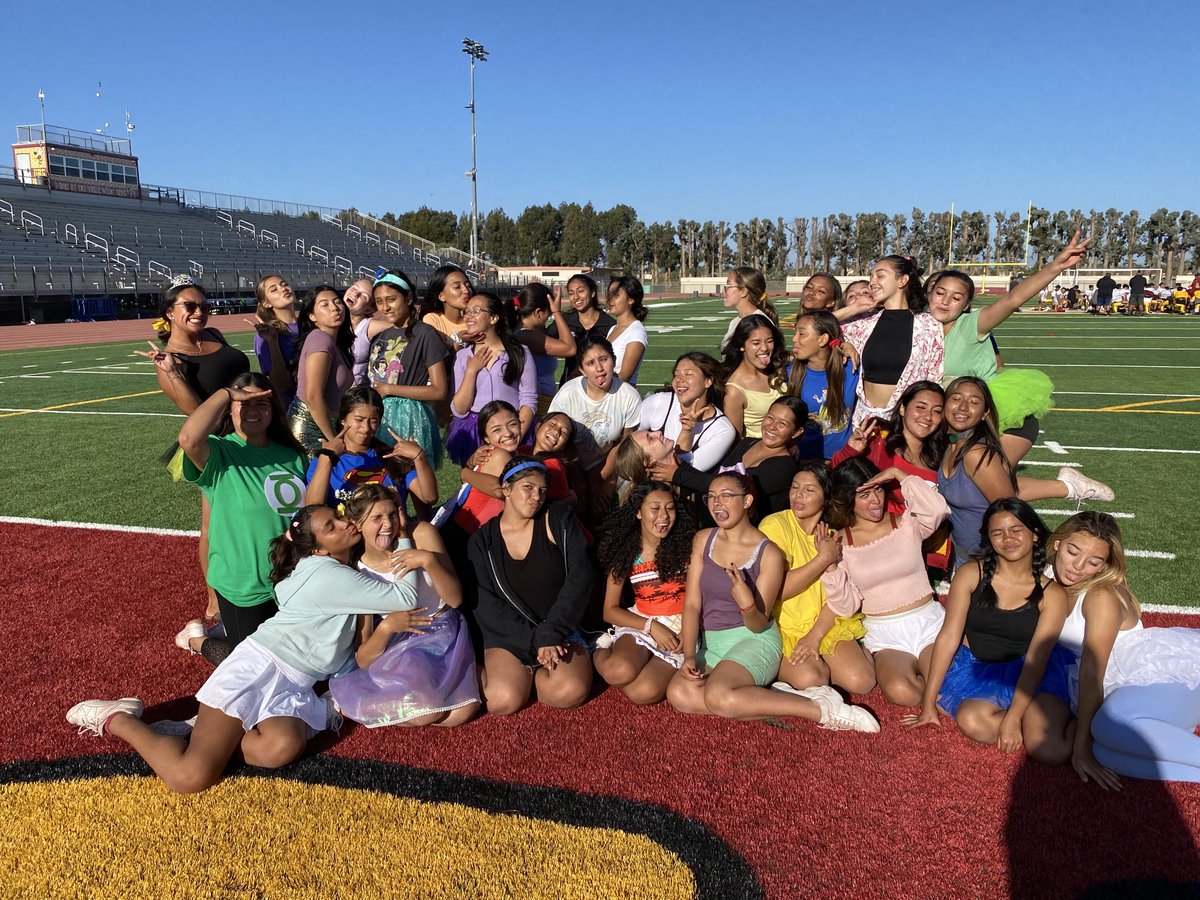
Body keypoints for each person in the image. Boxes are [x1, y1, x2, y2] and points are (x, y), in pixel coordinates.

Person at [67, 505, 420, 794]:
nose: (345, 523)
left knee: (279, 748)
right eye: (333, 525)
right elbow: (408, 597)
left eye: (339, 517)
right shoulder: (330, 575)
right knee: (190, 778)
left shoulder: (329, 568)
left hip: (293, 681)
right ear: (319, 549)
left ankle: (200, 732)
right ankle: (119, 718)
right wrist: (405, 538)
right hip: (258, 668)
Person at [665, 472, 879, 732]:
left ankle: (821, 710)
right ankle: (771, 698)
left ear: (747, 501)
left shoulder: (768, 552)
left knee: (717, 694)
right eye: (711, 497)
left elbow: (757, 624)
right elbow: (691, 605)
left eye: (726, 496)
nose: (716, 503)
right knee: (679, 693)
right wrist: (689, 655)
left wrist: (746, 604)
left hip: (754, 639)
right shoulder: (702, 539)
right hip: (714, 643)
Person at [903, 499, 1075, 762]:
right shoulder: (971, 573)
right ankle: (1031, 723)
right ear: (989, 539)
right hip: (980, 666)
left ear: (1035, 534)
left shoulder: (1052, 593)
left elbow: (1035, 661)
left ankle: (1060, 720)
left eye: (1016, 530)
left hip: (1034, 673)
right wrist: (927, 703)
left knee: (1051, 753)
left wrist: (1013, 717)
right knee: (969, 719)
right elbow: (949, 637)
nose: (1008, 538)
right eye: (997, 532)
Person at [1050, 512, 1200, 786]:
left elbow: (1091, 673)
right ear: (1058, 543)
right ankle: (1172, 736)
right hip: (1131, 694)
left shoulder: (1101, 596)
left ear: (1105, 565)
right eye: (1073, 551)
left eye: (1094, 562)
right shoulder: (1048, 575)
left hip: (1166, 678)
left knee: (1105, 727)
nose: (1078, 566)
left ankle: (1167, 726)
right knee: (1103, 752)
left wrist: (1080, 747)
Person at [136, 276, 251, 630]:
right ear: (169, 312)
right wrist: (173, 373)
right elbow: (193, 411)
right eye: (190, 305)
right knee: (213, 522)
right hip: (217, 443)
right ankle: (214, 596)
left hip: (250, 431)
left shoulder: (213, 336)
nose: (200, 311)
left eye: (204, 305)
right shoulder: (168, 359)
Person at [170, 373, 307, 666]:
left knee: (293, 658)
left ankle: (221, 632)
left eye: (261, 404)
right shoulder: (219, 452)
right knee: (252, 665)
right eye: (244, 404)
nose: (252, 410)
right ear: (230, 410)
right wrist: (226, 392)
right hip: (242, 583)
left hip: (290, 579)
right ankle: (199, 639)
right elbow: (188, 438)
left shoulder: (293, 456)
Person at [929, 232, 1090, 464]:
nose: (945, 301)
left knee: (983, 484)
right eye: (940, 293)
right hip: (956, 416)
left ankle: (1066, 486)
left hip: (997, 415)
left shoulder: (973, 323)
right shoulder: (921, 328)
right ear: (930, 294)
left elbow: (1013, 299)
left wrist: (1056, 266)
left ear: (967, 305)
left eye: (956, 298)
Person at [328, 485, 479, 728]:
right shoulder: (358, 570)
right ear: (356, 524)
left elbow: (455, 599)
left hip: (446, 632)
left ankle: (390, 704)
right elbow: (364, 657)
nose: (388, 524)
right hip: (406, 643)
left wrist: (428, 560)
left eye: (391, 515)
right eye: (376, 518)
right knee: (427, 711)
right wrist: (387, 627)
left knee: (463, 711)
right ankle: (353, 700)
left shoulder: (422, 533)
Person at [934, 377, 1112, 566]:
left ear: (985, 413)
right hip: (967, 558)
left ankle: (1070, 487)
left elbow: (1012, 511)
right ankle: (1068, 486)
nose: (963, 406)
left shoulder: (976, 454)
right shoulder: (951, 445)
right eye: (956, 398)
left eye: (974, 402)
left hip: (990, 562)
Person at [467, 457, 594, 714]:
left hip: (561, 629)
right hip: (511, 636)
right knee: (503, 701)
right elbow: (486, 604)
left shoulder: (557, 518)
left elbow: (580, 576)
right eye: (528, 487)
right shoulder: (482, 542)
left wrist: (551, 632)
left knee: (567, 692)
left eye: (542, 490)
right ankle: (483, 671)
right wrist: (534, 640)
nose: (536, 496)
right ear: (507, 489)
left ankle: (532, 675)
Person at [821, 459, 951, 706]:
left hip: (927, 622)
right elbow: (846, 605)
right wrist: (830, 567)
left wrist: (897, 473)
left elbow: (937, 510)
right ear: (847, 499)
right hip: (884, 634)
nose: (875, 501)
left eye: (878, 489)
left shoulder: (906, 522)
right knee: (903, 693)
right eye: (864, 495)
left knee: (946, 685)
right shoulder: (839, 542)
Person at [758, 463, 874, 695]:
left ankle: (860, 652)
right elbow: (777, 590)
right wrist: (823, 559)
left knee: (862, 682)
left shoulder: (832, 536)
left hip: (825, 623)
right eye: (795, 487)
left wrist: (814, 636)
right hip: (785, 628)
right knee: (813, 678)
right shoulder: (775, 525)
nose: (798, 495)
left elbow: (837, 599)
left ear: (826, 498)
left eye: (809, 490)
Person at [593, 482, 697, 704]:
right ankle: (600, 648)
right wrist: (652, 627)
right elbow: (609, 611)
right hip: (644, 622)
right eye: (655, 508)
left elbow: (703, 597)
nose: (664, 516)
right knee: (617, 672)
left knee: (643, 693)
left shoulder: (690, 548)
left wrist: (688, 631)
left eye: (670, 508)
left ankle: (643, 663)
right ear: (638, 512)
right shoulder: (625, 552)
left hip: (683, 628)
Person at [639, 396, 808, 517]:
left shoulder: (785, 468)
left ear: (797, 432)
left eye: (782, 424)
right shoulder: (747, 442)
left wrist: (678, 475)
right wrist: (677, 467)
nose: (772, 426)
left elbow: (730, 491)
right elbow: (715, 478)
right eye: (770, 418)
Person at [836, 255, 944, 426]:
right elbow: (813, 326)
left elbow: (934, 378)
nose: (872, 282)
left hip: (906, 425)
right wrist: (855, 309)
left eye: (880, 275)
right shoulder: (864, 323)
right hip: (863, 424)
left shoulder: (929, 325)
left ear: (902, 280)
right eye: (871, 277)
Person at [302, 386, 437, 516]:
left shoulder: (392, 457)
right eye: (359, 420)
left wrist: (419, 457)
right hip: (351, 535)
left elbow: (430, 498)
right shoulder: (325, 461)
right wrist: (327, 457)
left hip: (395, 534)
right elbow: (313, 509)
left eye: (373, 420)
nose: (366, 428)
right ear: (343, 419)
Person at [548, 338, 641, 518]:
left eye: (603, 359)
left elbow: (623, 443)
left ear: (613, 360)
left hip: (608, 466)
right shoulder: (568, 393)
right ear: (582, 370)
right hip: (569, 464)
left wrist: (601, 479)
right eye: (590, 363)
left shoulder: (628, 396)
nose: (599, 368)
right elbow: (555, 439)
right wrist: (582, 483)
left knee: (605, 507)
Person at [366, 269, 450, 466]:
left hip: (409, 417)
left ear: (409, 298)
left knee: (415, 479)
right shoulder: (380, 336)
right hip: (377, 416)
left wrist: (389, 389)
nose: (385, 307)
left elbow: (439, 390)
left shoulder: (425, 333)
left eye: (391, 299)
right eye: (379, 301)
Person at [453, 402, 575, 534]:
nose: (508, 433)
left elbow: (510, 491)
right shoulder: (501, 454)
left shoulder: (521, 454)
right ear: (486, 438)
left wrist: (466, 472)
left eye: (512, 424)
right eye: (497, 429)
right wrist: (467, 470)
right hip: (469, 531)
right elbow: (506, 491)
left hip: (484, 532)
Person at [447, 291, 537, 466]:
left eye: (476, 311)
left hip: (511, 428)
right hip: (474, 431)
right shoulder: (462, 357)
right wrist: (472, 371)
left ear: (493, 318)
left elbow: (529, 399)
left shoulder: (520, 352)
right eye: (466, 311)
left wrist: (516, 434)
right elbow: (459, 410)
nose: (468, 316)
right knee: (478, 482)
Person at [637, 352, 737, 474]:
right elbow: (632, 444)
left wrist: (687, 431)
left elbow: (686, 472)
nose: (679, 379)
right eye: (676, 375)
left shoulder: (723, 429)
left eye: (688, 374)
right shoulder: (658, 401)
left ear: (708, 382)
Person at [289, 285, 354, 457]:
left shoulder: (336, 343)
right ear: (312, 316)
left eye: (337, 302)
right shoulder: (320, 339)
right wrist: (333, 439)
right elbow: (313, 397)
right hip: (311, 428)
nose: (334, 308)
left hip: (326, 425)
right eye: (324, 305)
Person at [787, 310, 859, 459]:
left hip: (844, 458)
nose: (794, 339)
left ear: (822, 339)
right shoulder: (789, 372)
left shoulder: (851, 369)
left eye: (802, 334)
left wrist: (846, 345)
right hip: (804, 460)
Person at [514, 283, 577, 413]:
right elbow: (570, 348)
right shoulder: (525, 335)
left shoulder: (525, 332)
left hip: (542, 400)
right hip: (539, 403)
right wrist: (557, 312)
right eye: (548, 314)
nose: (550, 317)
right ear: (538, 312)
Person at [722, 316, 788, 438]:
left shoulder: (777, 369)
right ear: (742, 346)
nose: (764, 348)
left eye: (769, 341)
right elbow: (735, 441)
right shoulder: (734, 391)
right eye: (756, 343)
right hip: (762, 453)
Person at [549, 273, 615, 386]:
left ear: (593, 292)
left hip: (600, 388)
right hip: (569, 387)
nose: (576, 297)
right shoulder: (564, 321)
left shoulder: (609, 324)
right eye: (571, 293)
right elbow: (543, 339)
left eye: (581, 291)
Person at [251, 274, 299, 400]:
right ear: (266, 303)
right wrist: (272, 342)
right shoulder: (266, 335)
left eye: (284, 284)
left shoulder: (311, 324)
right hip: (293, 408)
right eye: (274, 289)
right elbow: (280, 385)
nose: (283, 289)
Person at [719, 267, 778, 352]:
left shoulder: (759, 324)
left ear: (743, 291)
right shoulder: (735, 322)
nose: (723, 291)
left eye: (728, 286)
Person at [605, 275, 649, 386]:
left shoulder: (636, 332)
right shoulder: (612, 329)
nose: (610, 299)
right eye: (609, 294)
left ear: (631, 299)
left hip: (623, 397)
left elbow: (624, 376)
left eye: (616, 295)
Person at [420, 264, 473, 352]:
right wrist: (459, 341)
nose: (466, 290)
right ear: (441, 296)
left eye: (467, 285)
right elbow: (436, 357)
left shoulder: (478, 319)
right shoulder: (432, 320)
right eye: (457, 287)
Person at [343, 277, 377, 385]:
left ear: (368, 310)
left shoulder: (368, 325)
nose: (356, 294)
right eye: (354, 288)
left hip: (356, 394)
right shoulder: (330, 321)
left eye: (363, 296)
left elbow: (398, 325)